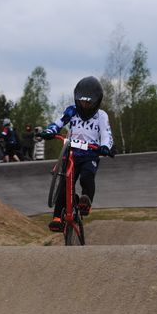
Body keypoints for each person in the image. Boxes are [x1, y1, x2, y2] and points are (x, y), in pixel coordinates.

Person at [40, 76, 113, 232]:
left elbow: (107, 134)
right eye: (82, 101)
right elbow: (58, 123)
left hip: (90, 154)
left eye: (89, 102)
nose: (85, 105)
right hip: (71, 152)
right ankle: (57, 218)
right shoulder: (71, 111)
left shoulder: (101, 116)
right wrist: (50, 131)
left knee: (87, 176)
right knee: (65, 184)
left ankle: (86, 202)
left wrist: (105, 147)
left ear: (96, 102)